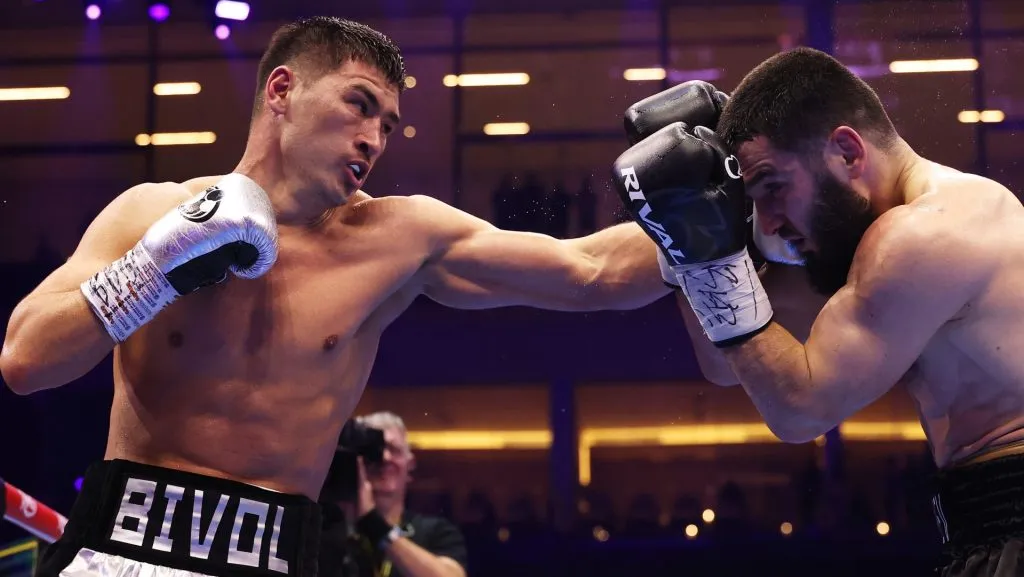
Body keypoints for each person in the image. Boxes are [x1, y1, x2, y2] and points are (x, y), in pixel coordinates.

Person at [0, 16, 674, 577]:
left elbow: (589, 270)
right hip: (123, 545)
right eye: (360, 104)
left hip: (274, 554)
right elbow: (26, 359)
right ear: (282, 90)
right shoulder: (152, 212)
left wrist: (724, 218)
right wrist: (157, 266)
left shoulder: (395, 239)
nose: (376, 138)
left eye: (388, 122)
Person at [613, 46, 1024, 577]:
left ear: (848, 152)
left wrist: (710, 261)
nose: (770, 221)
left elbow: (801, 409)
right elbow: (729, 367)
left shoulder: (921, 237)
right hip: (984, 525)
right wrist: (689, 257)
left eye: (774, 187)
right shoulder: (917, 230)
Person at [318, 412, 466, 577]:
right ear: (358, 460)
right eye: (376, 451)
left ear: (410, 465)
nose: (386, 457)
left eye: (394, 450)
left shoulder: (435, 531)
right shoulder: (329, 530)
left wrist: (374, 524)